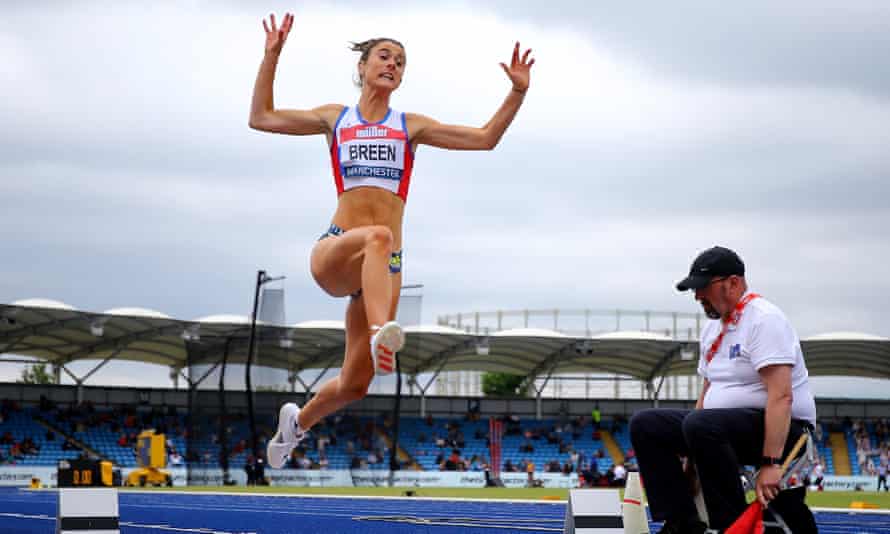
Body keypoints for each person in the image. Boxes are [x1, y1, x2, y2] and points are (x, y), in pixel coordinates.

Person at [252, 14, 534, 469]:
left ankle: (296, 425)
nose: (392, 65)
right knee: (379, 236)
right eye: (384, 56)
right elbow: (261, 117)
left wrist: (517, 92)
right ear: (362, 67)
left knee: (355, 385)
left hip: (385, 267)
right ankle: (380, 330)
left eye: (400, 62)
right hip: (338, 249)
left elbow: (485, 139)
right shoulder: (335, 118)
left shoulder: (410, 126)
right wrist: (272, 55)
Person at [629, 246, 816, 533]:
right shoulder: (712, 329)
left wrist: (771, 462)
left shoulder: (765, 319)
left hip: (783, 430)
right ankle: (682, 523)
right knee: (646, 424)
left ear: (733, 282)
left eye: (704, 287)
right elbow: (707, 393)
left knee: (702, 424)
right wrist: (690, 462)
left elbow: (781, 396)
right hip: (718, 428)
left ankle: (730, 526)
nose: (698, 296)